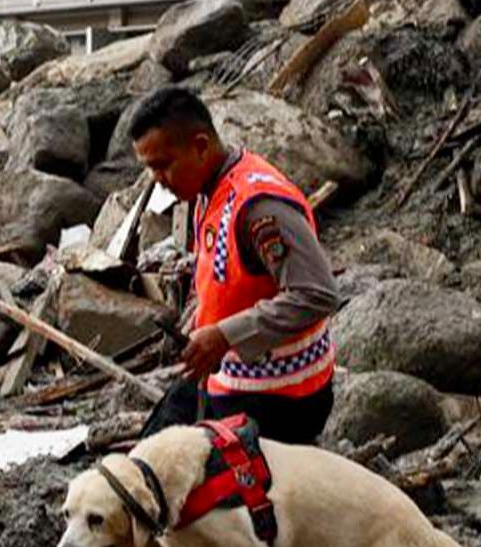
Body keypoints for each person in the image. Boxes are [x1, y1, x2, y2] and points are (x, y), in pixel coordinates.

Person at [129, 86, 339, 444]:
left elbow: (318, 294)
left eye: (163, 166)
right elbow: (227, 279)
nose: (158, 182)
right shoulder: (206, 192)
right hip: (229, 377)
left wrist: (225, 335)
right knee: (147, 458)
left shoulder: (259, 208)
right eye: (150, 170)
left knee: (179, 483)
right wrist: (201, 322)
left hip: (280, 398)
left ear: (200, 146)